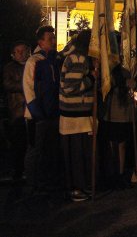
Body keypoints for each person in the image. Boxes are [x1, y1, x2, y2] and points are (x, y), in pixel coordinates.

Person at [23, 25, 62, 195]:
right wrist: (37, 114)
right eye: (50, 38)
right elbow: (28, 89)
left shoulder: (54, 60)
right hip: (37, 116)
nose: (53, 41)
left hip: (53, 114)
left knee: (50, 150)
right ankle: (32, 184)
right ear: (40, 41)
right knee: (35, 150)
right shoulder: (34, 61)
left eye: (53, 38)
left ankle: (47, 181)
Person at [59, 30, 95, 202]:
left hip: (75, 113)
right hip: (75, 113)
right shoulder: (78, 58)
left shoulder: (74, 57)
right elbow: (70, 87)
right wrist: (91, 80)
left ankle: (79, 186)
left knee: (78, 154)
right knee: (77, 155)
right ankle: (77, 188)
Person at [102, 65, 133, 189]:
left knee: (121, 145)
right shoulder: (107, 71)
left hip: (122, 114)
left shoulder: (126, 71)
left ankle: (119, 174)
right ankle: (112, 174)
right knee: (112, 146)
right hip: (110, 114)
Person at [3, 40, 30, 184]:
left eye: (23, 50)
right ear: (13, 54)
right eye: (18, 51)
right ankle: (17, 171)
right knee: (18, 143)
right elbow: (7, 84)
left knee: (30, 142)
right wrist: (26, 85)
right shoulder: (10, 68)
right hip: (17, 110)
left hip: (30, 110)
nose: (21, 54)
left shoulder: (31, 65)